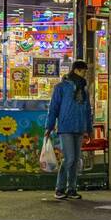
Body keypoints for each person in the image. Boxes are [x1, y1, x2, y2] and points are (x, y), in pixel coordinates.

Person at [45, 60, 93, 200]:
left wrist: (89, 129)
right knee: (70, 159)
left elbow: (87, 110)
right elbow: (53, 108)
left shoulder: (84, 89)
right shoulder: (61, 87)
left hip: (79, 127)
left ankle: (71, 189)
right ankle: (60, 189)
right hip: (65, 127)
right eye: (84, 71)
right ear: (77, 70)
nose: (85, 74)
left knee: (75, 160)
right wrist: (49, 126)